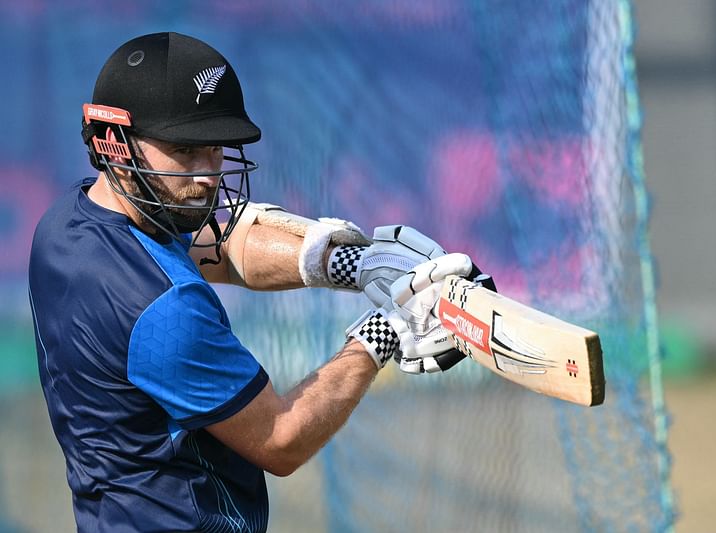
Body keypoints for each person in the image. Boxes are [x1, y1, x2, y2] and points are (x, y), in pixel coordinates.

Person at [28, 32, 476, 533]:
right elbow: (282, 439)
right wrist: (387, 328)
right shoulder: (165, 311)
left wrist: (350, 265)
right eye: (183, 150)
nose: (206, 175)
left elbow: (218, 249)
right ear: (115, 142)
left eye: (215, 148)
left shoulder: (65, 225)